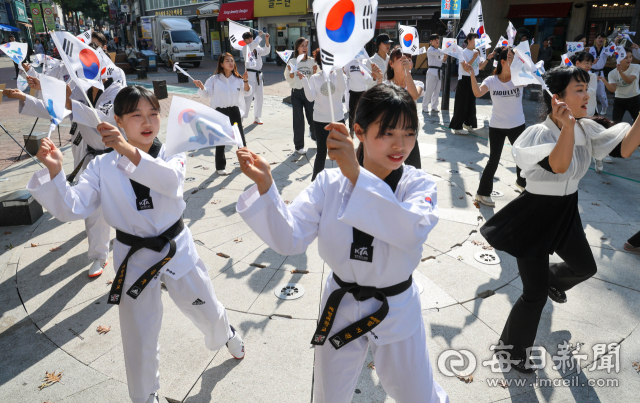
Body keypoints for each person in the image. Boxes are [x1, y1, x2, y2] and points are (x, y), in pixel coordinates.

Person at [26, 85, 245, 403]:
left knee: (207, 308)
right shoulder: (101, 166)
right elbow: (72, 206)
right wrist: (56, 173)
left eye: (153, 113)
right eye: (136, 115)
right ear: (117, 120)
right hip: (133, 256)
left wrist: (128, 152)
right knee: (138, 335)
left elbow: (170, 182)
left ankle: (226, 334)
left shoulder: (172, 151)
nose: (148, 121)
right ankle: (146, 396)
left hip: (175, 247)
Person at [235, 83, 449, 403]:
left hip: (396, 306)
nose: (400, 145)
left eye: (409, 133)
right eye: (388, 133)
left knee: (418, 395)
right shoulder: (328, 184)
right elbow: (290, 238)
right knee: (328, 396)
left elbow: (410, 231)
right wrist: (267, 187)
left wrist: (356, 177)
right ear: (359, 132)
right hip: (341, 301)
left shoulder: (418, 186)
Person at [480, 66, 640, 373]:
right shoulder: (539, 133)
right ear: (557, 98)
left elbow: (626, 148)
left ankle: (550, 279)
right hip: (534, 216)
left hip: (566, 212)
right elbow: (559, 164)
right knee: (534, 295)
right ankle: (509, 351)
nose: (586, 95)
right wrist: (566, 126)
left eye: (586, 88)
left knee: (585, 267)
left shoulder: (585, 128)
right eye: (578, 89)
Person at [4, 42, 126, 279]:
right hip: (88, 155)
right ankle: (100, 255)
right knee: (96, 209)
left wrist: (68, 101)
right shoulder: (79, 84)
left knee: (120, 205)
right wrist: (28, 95)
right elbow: (58, 109)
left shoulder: (116, 82)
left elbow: (102, 119)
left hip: (114, 155)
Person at [463, 47, 527, 206]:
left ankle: (522, 183)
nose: (513, 61)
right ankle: (482, 194)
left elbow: (529, 74)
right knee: (493, 160)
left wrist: (521, 58)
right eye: (510, 58)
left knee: (523, 158)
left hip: (517, 125)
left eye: (515, 59)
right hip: (497, 126)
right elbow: (477, 93)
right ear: (503, 62)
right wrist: (472, 73)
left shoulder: (519, 79)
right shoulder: (491, 81)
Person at [193, 52, 251, 176]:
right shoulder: (214, 79)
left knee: (240, 137)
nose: (231, 63)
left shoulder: (238, 79)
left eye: (232, 60)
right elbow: (206, 94)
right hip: (221, 112)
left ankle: (245, 161)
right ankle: (220, 166)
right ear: (221, 64)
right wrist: (202, 87)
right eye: (227, 61)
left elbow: (247, 92)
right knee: (220, 139)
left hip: (234, 111)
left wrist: (246, 81)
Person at [300, 48, 347, 180]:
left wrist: (338, 68)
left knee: (341, 152)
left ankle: (343, 181)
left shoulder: (339, 75)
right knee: (321, 152)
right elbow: (310, 98)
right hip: (320, 120)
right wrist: (304, 81)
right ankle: (315, 183)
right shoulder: (315, 78)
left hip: (337, 119)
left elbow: (342, 89)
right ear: (320, 61)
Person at [384, 46, 424, 169]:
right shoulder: (385, 85)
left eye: (408, 59)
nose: (405, 62)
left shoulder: (418, 84)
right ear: (391, 63)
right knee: (389, 171)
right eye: (401, 60)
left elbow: (414, 95)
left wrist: (407, 72)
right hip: (389, 136)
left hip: (409, 135)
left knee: (415, 171)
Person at [449, 33, 494, 135]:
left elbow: (480, 67)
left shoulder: (476, 53)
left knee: (471, 103)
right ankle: (457, 127)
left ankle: (468, 123)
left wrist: (488, 59)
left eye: (477, 39)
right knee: (461, 104)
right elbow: (465, 67)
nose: (476, 41)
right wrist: (474, 57)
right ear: (468, 40)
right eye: (474, 39)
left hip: (472, 79)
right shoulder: (462, 52)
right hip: (464, 79)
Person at [284, 37, 317, 154]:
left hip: (309, 93)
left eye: (306, 45)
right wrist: (292, 74)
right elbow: (289, 79)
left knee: (312, 117)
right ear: (297, 48)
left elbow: (316, 78)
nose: (304, 48)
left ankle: (315, 135)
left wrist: (314, 71)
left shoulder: (312, 61)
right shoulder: (292, 62)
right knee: (298, 120)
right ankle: (299, 146)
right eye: (302, 45)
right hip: (296, 93)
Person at [343, 53, 383, 136]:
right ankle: (351, 131)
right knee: (352, 113)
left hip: (363, 92)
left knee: (363, 113)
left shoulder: (365, 62)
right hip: (353, 92)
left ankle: (363, 132)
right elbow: (345, 73)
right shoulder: (349, 62)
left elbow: (370, 78)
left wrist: (375, 77)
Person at [599, 50, 639, 123]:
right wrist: (604, 81)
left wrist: (620, 72)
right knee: (615, 123)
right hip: (619, 100)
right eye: (626, 57)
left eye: (630, 57)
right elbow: (613, 89)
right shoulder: (612, 73)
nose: (629, 59)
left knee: (638, 123)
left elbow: (629, 80)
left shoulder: (636, 67)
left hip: (634, 98)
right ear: (619, 59)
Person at [242, 31, 270, 125]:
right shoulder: (246, 48)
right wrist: (259, 36)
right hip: (250, 74)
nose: (250, 40)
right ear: (245, 41)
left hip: (258, 74)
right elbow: (253, 44)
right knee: (248, 96)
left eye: (251, 38)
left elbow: (266, 51)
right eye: (248, 39)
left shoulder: (256, 47)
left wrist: (266, 40)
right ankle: (242, 116)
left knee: (259, 96)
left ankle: (257, 117)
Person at [422, 34, 448, 114]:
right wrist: (447, 50)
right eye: (435, 40)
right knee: (429, 90)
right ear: (431, 41)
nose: (437, 41)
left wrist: (444, 58)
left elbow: (442, 62)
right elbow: (438, 53)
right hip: (432, 71)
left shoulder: (439, 50)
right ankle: (425, 106)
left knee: (437, 90)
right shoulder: (430, 49)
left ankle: (434, 106)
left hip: (439, 71)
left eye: (438, 39)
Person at [589, 33, 609, 115]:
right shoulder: (590, 49)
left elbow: (613, 50)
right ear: (595, 40)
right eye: (599, 37)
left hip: (600, 72)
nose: (601, 39)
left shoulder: (606, 50)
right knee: (590, 90)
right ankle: (591, 108)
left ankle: (605, 106)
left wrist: (616, 42)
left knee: (601, 93)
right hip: (591, 71)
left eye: (603, 38)